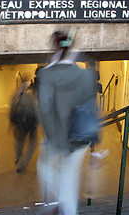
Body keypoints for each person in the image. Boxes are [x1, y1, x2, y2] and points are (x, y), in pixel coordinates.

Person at [37, 30, 97, 215]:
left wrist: (53, 137)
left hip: (57, 136)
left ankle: (61, 200)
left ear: (54, 47)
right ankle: (67, 207)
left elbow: (45, 109)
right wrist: (95, 145)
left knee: (44, 166)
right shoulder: (86, 76)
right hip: (81, 137)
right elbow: (92, 109)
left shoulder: (47, 75)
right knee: (69, 177)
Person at [9, 76, 39, 173]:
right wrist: (37, 123)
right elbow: (35, 109)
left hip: (18, 124)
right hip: (30, 124)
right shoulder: (30, 96)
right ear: (27, 84)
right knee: (33, 143)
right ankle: (22, 163)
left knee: (19, 142)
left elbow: (11, 111)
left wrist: (11, 124)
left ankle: (18, 158)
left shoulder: (14, 95)